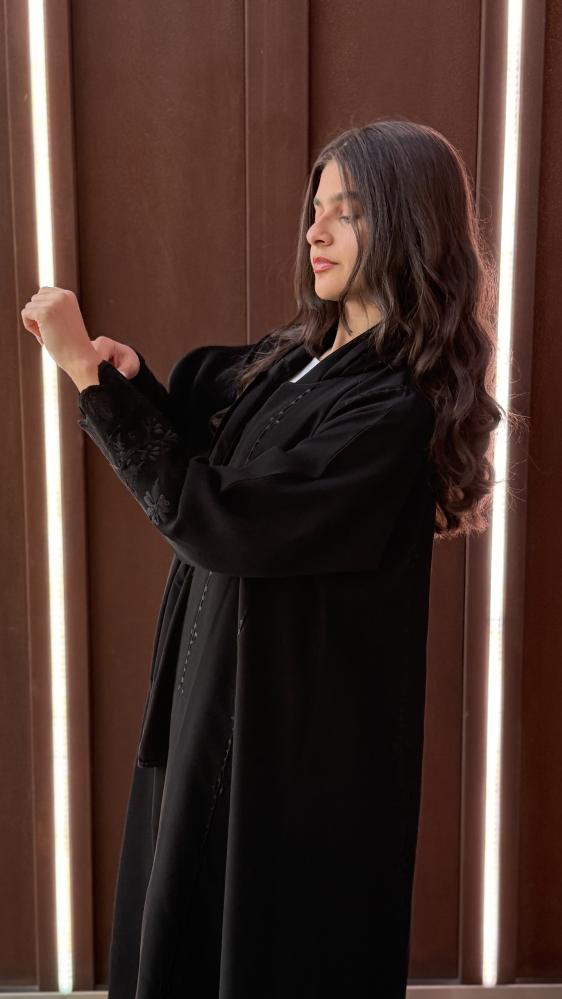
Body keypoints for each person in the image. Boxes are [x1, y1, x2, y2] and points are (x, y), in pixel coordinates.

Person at [21, 119, 509, 999]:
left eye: (347, 211)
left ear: (408, 223)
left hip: (285, 747)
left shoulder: (388, 409)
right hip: (216, 703)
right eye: (315, 208)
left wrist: (85, 380)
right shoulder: (307, 358)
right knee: (188, 927)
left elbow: (223, 519)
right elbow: (216, 457)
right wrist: (124, 379)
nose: (315, 229)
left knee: (262, 946)